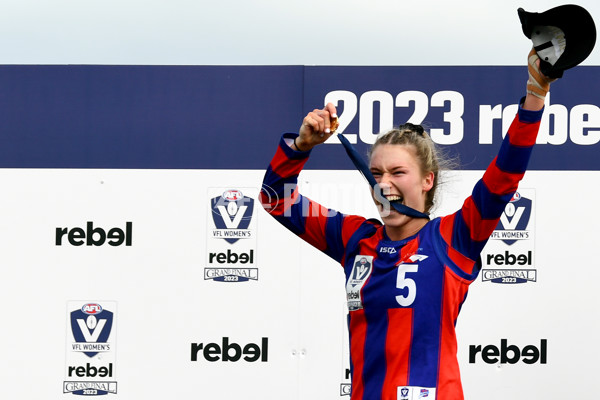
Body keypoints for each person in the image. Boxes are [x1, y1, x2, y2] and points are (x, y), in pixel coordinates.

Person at [259, 49, 554, 400]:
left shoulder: (455, 237)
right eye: (377, 173)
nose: (384, 184)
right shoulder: (355, 238)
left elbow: (504, 177)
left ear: (428, 180)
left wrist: (536, 94)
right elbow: (275, 198)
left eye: (398, 173)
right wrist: (301, 146)